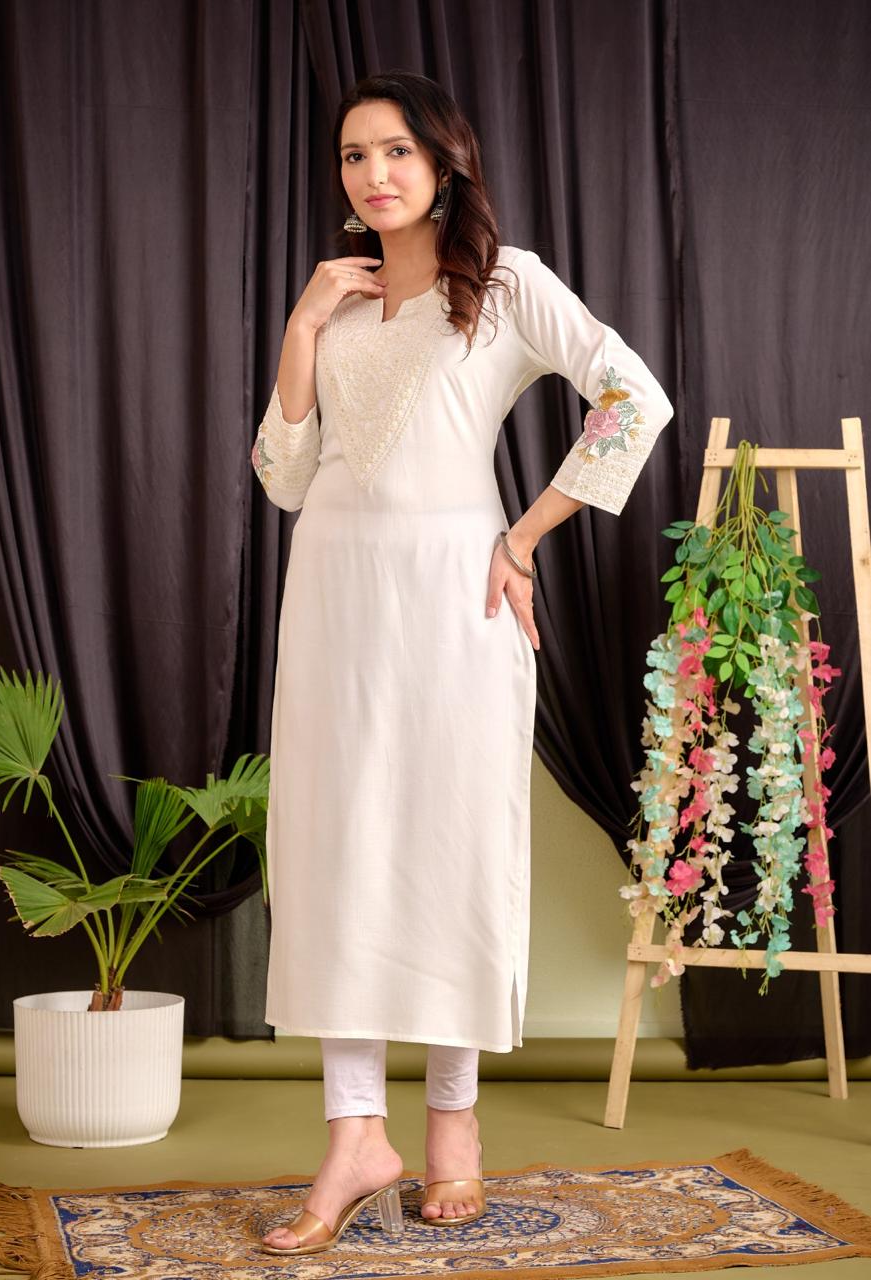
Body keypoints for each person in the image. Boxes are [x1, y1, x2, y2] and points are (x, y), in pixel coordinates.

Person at [252, 71, 674, 1256]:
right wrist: (300, 328)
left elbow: (632, 396)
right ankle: (353, 1131)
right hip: (331, 597)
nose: (372, 174)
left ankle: (452, 1123)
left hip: (453, 597)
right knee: (334, 845)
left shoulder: (503, 283)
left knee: (446, 842)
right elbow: (284, 477)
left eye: (395, 150)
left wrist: (525, 534)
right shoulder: (337, 306)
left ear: (443, 162)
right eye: (353, 156)